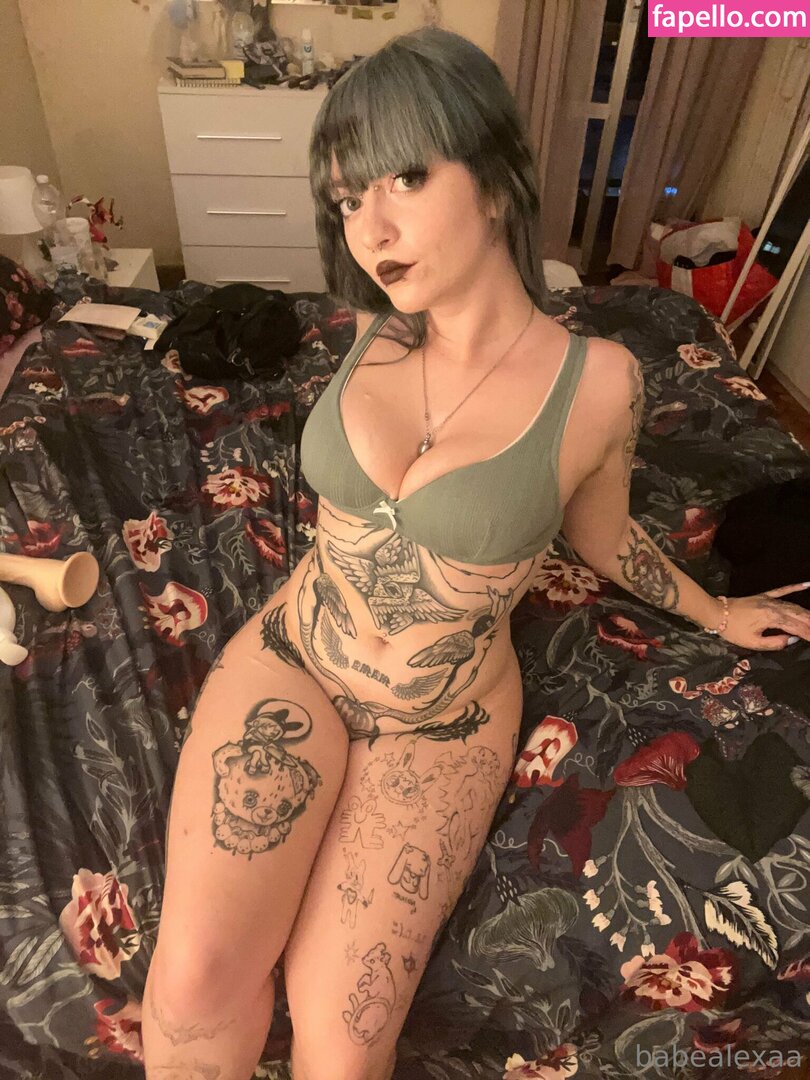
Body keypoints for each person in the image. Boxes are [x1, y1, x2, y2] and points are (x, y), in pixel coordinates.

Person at [141, 26, 810, 1080]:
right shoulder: (369, 326)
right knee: (191, 985)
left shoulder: (600, 383)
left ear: (495, 181)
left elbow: (600, 535)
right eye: (346, 199)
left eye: (405, 178)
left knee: (345, 1037)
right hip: (296, 655)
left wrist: (717, 611)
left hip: (439, 718)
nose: (371, 228)